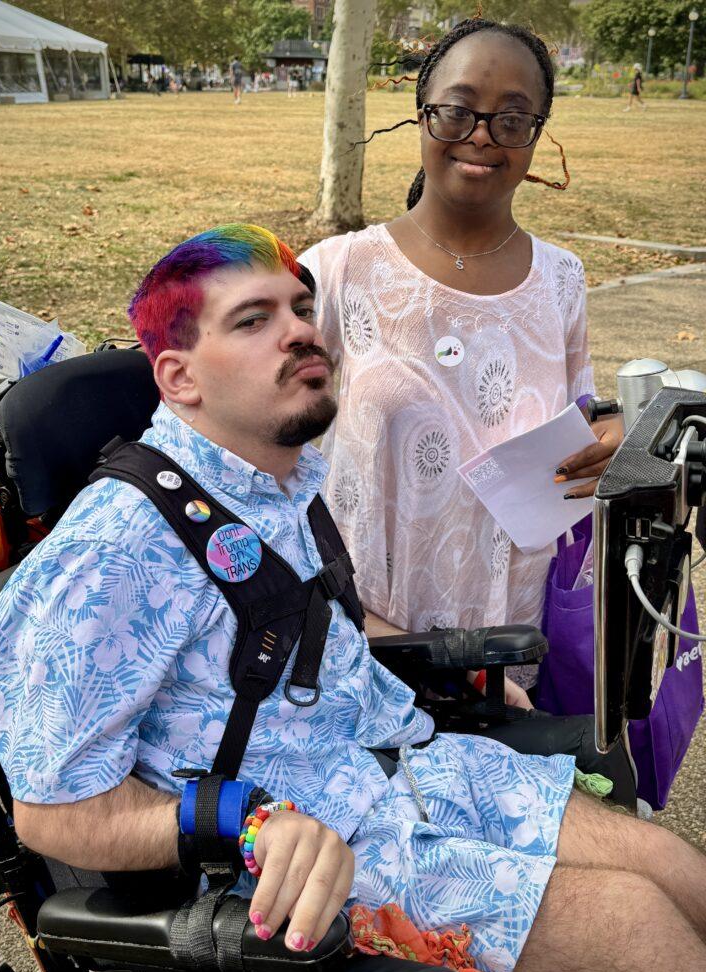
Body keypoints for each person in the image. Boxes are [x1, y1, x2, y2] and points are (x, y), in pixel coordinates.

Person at [0, 224, 706, 972]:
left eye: (301, 308)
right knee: (637, 929)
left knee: (672, 869)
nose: (300, 329)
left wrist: (467, 667)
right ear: (179, 377)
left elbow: (309, 616)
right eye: (253, 319)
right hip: (306, 864)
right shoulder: (108, 555)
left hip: (409, 769)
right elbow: (53, 811)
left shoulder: (278, 482)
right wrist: (246, 820)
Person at [300, 19, 624, 704]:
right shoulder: (337, 272)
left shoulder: (561, 279)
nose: (482, 133)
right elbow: (252, 448)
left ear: (536, 135)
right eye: (458, 110)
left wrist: (608, 432)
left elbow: (582, 413)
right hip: (368, 640)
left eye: (512, 117)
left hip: (508, 647)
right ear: (421, 116)